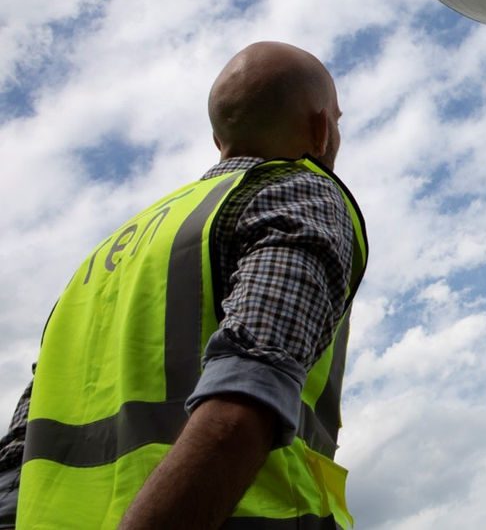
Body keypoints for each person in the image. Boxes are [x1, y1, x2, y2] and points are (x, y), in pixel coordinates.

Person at [0, 42, 368, 529]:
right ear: (321, 130)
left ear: (218, 141)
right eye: (337, 120)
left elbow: (17, 452)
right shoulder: (297, 190)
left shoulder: (104, 259)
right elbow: (243, 405)